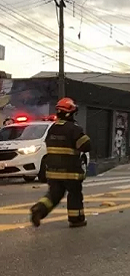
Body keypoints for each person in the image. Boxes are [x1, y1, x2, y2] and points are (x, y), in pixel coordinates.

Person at [30, 98, 91, 228]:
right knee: (74, 195)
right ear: (69, 113)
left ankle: (39, 209)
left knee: (54, 195)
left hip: (53, 171)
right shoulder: (73, 129)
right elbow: (86, 145)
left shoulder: (52, 129)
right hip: (70, 171)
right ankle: (76, 219)